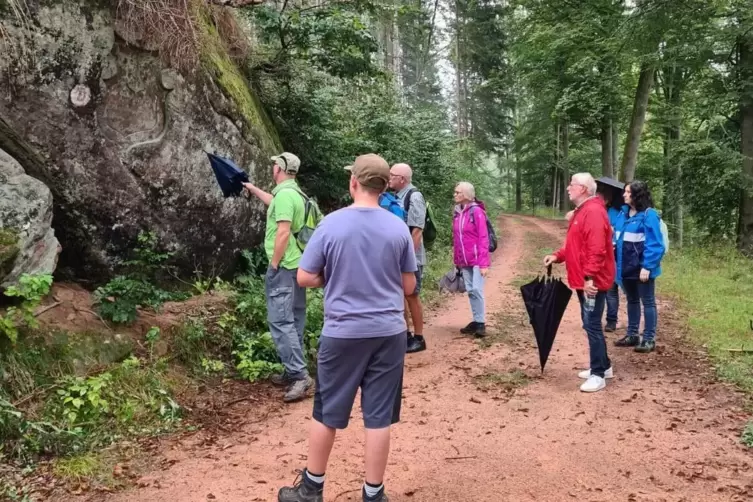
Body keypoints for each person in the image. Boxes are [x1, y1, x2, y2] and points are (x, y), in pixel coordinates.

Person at [278, 153, 416, 502]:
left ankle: (312, 488)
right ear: (385, 187)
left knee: (327, 411)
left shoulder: (332, 224)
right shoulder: (398, 227)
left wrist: (334, 276)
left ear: (353, 182)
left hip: (343, 332)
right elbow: (410, 287)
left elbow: (305, 276)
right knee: (379, 415)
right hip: (389, 332)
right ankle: (373, 494)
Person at [242, 152, 313, 403]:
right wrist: (252, 188)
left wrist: (273, 265)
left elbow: (283, 233)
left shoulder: (285, 196)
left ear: (280, 168)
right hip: (297, 266)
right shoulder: (293, 193)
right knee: (294, 319)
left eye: (274, 164)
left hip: (283, 267)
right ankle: (293, 368)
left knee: (281, 321)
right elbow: (273, 201)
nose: (272, 166)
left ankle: (299, 375)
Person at [544, 173, 616, 393]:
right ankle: (605, 366)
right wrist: (558, 255)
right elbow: (575, 244)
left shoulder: (593, 212)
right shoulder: (581, 211)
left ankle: (598, 375)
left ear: (583, 189)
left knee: (592, 324)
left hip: (592, 281)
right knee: (589, 322)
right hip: (582, 279)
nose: (568, 188)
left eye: (571, 185)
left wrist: (589, 278)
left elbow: (597, 249)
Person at [612, 180, 666, 353]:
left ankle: (649, 338)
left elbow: (656, 244)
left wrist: (647, 266)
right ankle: (632, 334)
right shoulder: (623, 214)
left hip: (642, 268)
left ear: (637, 195)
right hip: (625, 266)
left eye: (628, 192)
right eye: (624, 192)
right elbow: (618, 238)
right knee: (632, 300)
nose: (624, 195)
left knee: (647, 302)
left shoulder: (649, 215)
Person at [388, 163, 427, 353]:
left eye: (392, 175)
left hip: (412, 258)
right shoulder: (396, 197)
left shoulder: (414, 197)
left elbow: (417, 231)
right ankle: (405, 335)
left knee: (412, 296)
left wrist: (407, 259)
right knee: (401, 295)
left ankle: (419, 338)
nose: (389, 177)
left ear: (402, 179)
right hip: (399, 257)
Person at [452, 182, 490, 337]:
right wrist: (457, 261)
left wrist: (483, 263)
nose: (454, 195)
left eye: (457, 192)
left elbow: (483, 237)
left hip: (477, 259)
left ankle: (481, 324)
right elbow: (456, 239)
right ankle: (476, 320)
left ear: (466, 194)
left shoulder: (477, 212)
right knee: (470, 291)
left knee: (476, 289)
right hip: (465, 260)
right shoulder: (457, 213)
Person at [595, 178, 625, 333]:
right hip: (597, 254)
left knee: (611, 289)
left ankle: (611, 320)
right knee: (596, 288)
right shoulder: (596, 210)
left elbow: (619, 232)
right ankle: (594, 319)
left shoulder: (618, 213)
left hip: (612, 255)